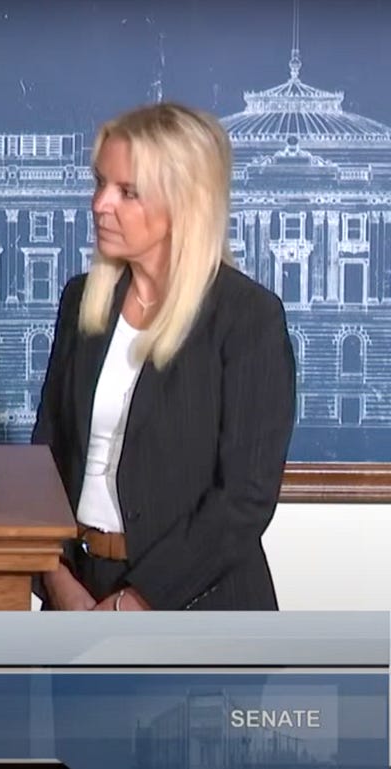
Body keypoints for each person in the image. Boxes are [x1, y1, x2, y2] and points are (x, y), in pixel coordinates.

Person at [33, 102, 295, 611]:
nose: (100, 204)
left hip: (199, 608)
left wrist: (135, 602)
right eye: (100, 183)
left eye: (127, 192)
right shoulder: (81, 302)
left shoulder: (247, 318)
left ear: (184, 202)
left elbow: (244, 497)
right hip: (79, 593)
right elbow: (49, 455)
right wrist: (60, 582)